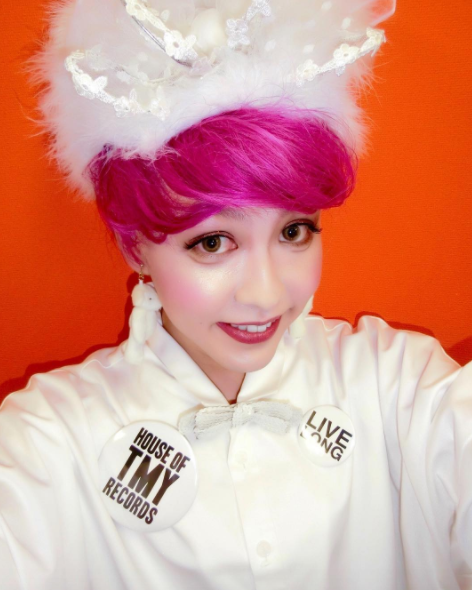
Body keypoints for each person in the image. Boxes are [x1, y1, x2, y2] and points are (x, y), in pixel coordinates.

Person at [0, 1, 470, 589]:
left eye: (293, 232)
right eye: (213, 242)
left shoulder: (396, 386)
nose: (266, 293)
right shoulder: (49, 440)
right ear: (135, 247)